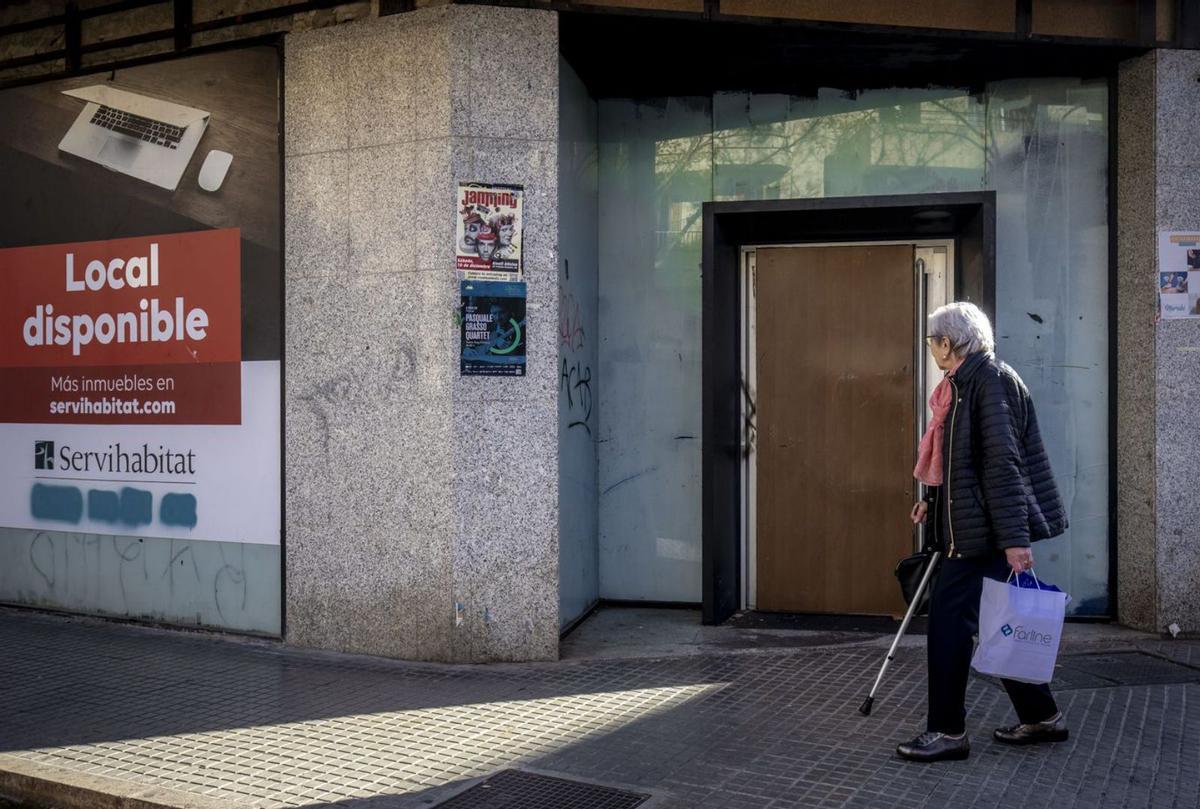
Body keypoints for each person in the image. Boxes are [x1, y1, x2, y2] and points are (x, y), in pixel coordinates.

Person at [897, 301, 1069, 763]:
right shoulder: (962, 383)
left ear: (948, 343)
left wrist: (1016, 542)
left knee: (950, 629)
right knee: (999, 625)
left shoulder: (988, 382)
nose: (932, 347)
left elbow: (1002, 466)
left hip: (980, 538)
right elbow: (960, 463)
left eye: (933, 339)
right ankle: (1042, 716)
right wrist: (930, 503)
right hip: (974, 531)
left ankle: (948, 732)